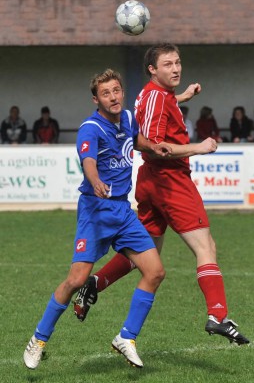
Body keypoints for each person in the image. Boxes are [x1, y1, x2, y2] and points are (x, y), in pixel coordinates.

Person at [74, 44, 249, 346]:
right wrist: (199, 147)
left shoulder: (151, 94)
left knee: (147, 249)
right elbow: (155, 145)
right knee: (206, 246)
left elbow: (154, 109)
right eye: (167, 64)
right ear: (152, 70)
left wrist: (183, 97)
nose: (176, 68)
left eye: (178, 62)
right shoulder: (156, 97)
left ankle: (94, 283)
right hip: (170, 181)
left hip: (151, 183)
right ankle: (218, 315)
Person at [23, 69, 172, 370]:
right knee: (76, 279)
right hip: (95, 210)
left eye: (116, 90)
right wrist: (95, 181)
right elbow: (88, 162)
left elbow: (135, 139)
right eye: (106, 93)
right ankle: (38, 339)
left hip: (122, 212)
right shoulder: (90, 128)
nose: (113, 97)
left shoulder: (128, 118)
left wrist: (152, 147)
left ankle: (126, 337)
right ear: (96, 99)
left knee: (155, 272)